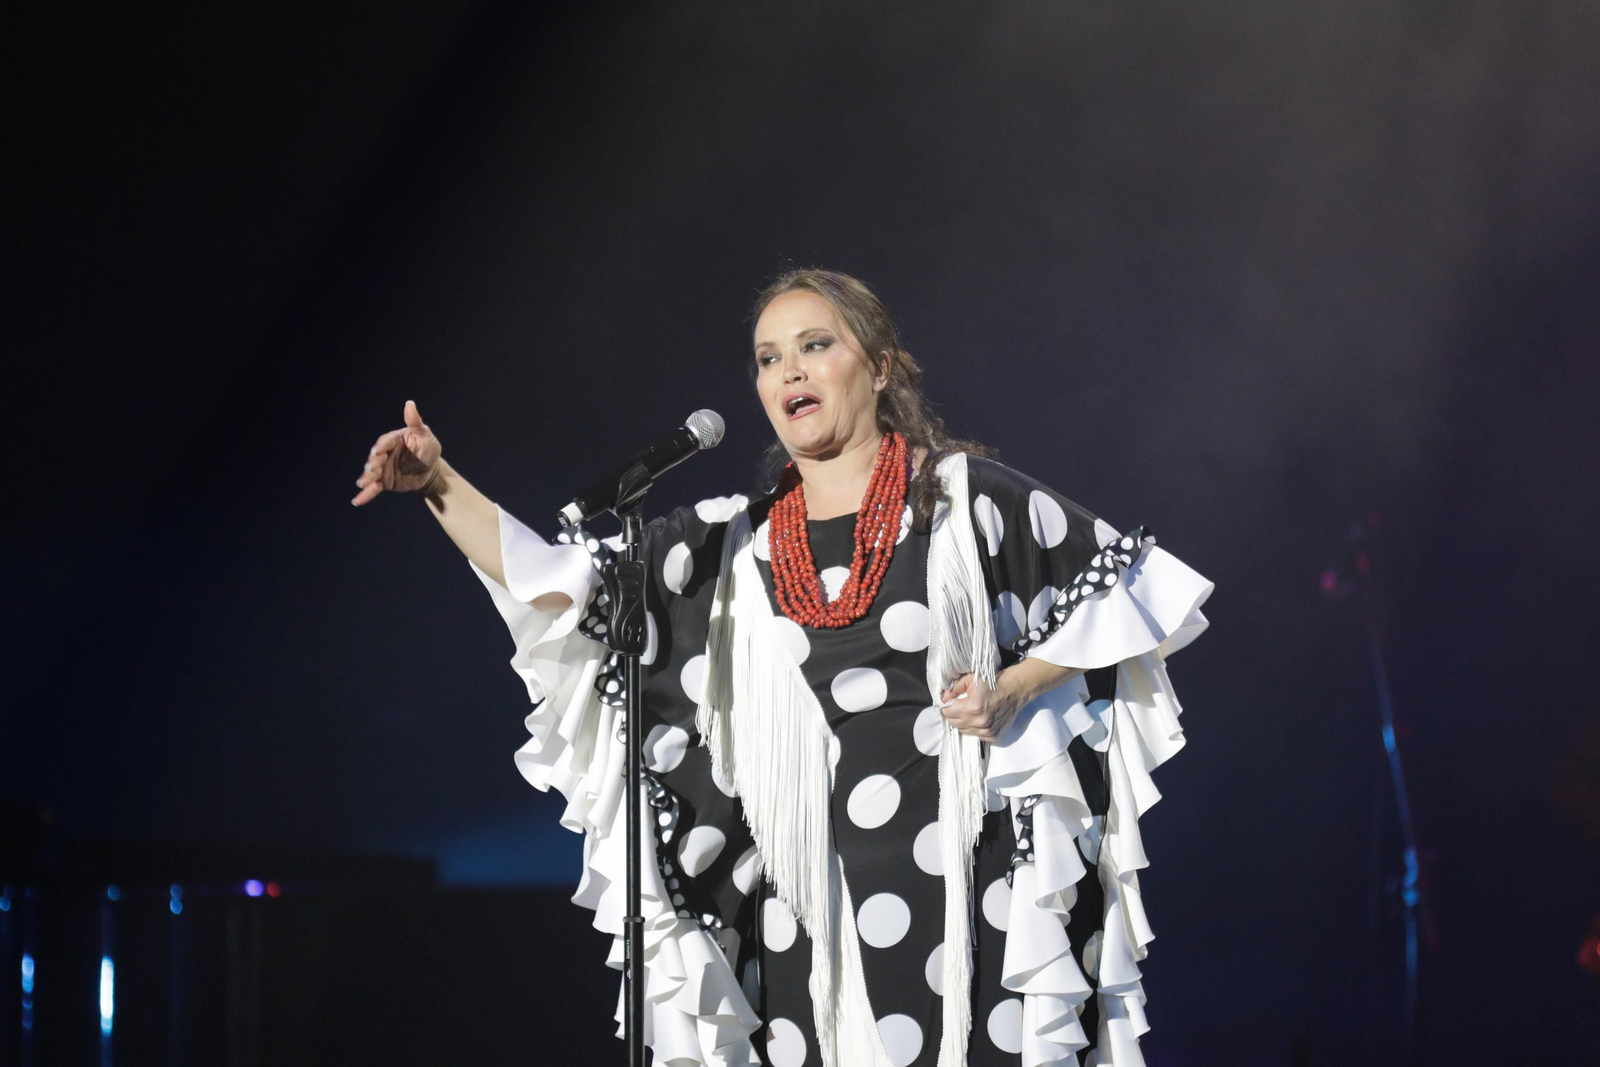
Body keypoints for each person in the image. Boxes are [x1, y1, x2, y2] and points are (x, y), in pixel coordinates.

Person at [352, 269, 1213, 1067]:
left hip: (965, 896)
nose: (788, 370)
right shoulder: (731, 545)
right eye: (769, 357)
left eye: (815, 344)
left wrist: (1020, 684)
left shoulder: (962, 499)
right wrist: (438, 483)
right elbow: (560, 583)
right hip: (805, 917)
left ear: (879, 368)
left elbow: (1134, 590)